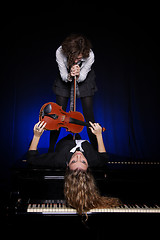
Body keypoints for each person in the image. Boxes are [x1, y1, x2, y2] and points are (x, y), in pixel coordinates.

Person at [27, 121, 121, 216]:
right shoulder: (93, 159)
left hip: (65, 142)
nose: (78, 155)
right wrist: (99, 135)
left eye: (74, 161)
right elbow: (104, 158)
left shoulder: (59, 158)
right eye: (83, 161)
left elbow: (31, 159)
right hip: (83, 141)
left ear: (67, 165)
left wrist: (36, 136)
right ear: (88, 165)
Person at [50, 33, 98, 152]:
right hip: (65, 77)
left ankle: (97, 151)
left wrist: (78, 73)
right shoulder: (60, 52)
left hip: (85, 79)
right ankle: (50, 151)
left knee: (89, 117)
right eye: (75, 58)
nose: (77, 60)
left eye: (80, 58)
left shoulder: (90, 55)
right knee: (57, 116)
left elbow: (82, 77)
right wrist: (70, 75)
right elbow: (63, 75)